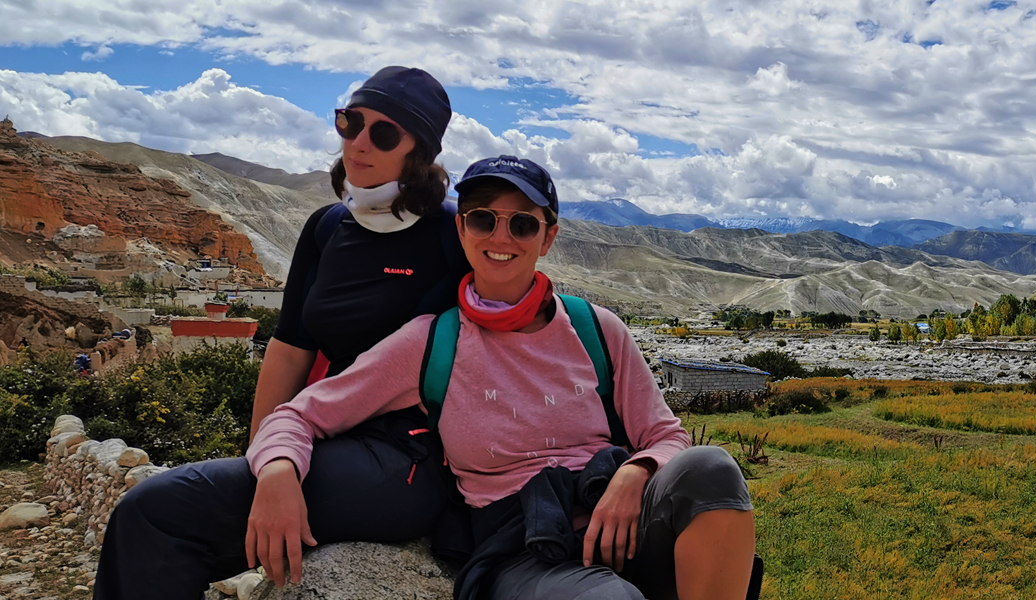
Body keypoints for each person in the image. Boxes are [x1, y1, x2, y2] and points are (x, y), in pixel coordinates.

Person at [246, 156, 757, 600]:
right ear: (462, 230)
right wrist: (276, 472)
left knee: (711, 467)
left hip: (619, 522)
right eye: (483, 219)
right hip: (524, 551)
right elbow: (301, 413)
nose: (500, 237)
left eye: (522, 224)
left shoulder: (596, 329)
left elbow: (666, 436)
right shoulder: (430, 342)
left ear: (549, 237)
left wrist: (636, 472)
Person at [94, 65, 466, 599]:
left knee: (157, 511)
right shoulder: (325, 228)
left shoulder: (452, 235)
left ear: (420, 152)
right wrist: (263, 460)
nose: (358, 143)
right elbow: (291, 348)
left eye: (384, 133)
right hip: (319, 432)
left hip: (406, 454)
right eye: (350, 121)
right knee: (153, 523)